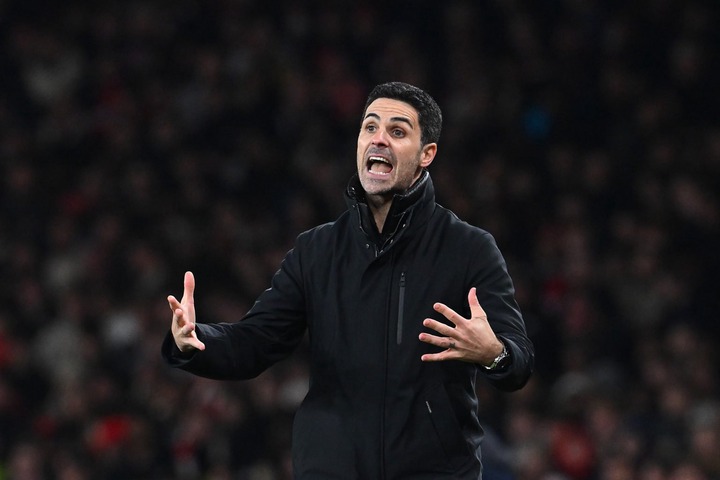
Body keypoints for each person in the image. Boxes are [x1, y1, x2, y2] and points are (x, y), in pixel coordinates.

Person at [162, 81, 535, 479]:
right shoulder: (317, 251)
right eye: (369, 127)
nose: (378, 140)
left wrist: (493, 353)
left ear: (427, 154)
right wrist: (195, 341)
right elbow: (254, 344)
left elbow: (519, 361)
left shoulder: (468, 248)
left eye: (397, 131)